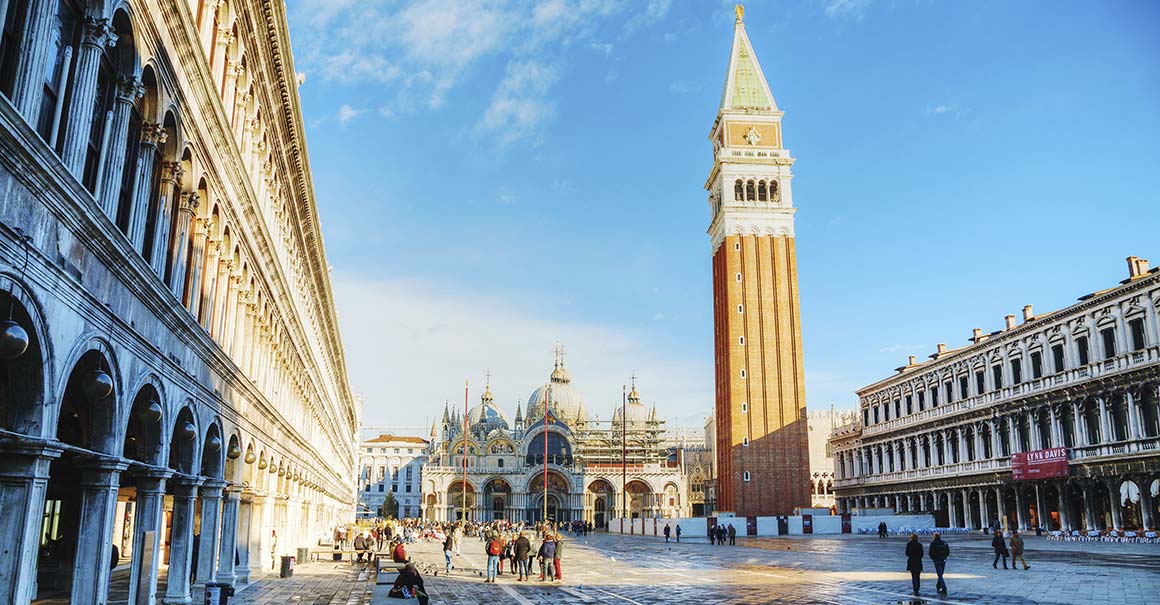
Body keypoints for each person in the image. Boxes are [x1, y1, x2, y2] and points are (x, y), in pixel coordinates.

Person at [928, 531, 949, 595]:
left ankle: (944, 588)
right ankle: (938, 586)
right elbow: (948, 551)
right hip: (943, 560)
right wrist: (945, 557)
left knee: (940, 574)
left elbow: (930, 552)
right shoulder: (944, 543)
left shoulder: (933, 543)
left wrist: (933, 558)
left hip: (937, 560)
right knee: (941, 574)